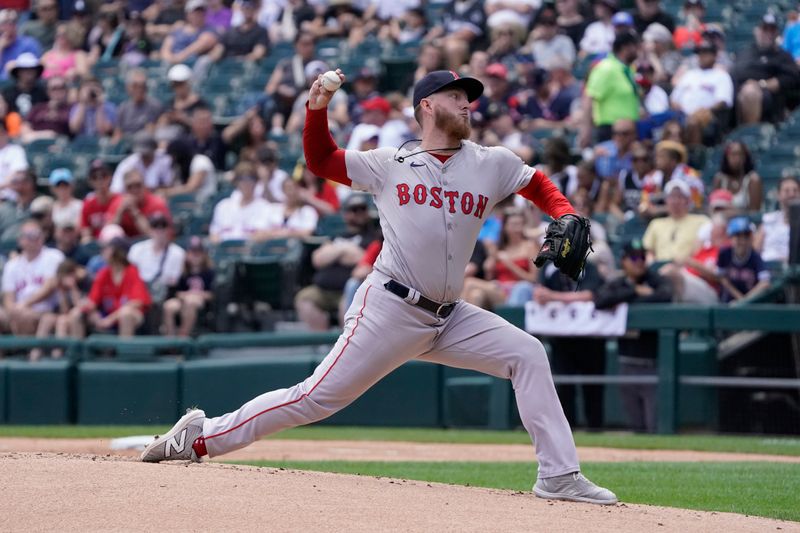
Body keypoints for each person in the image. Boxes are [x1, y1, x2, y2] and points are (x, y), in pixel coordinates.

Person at [140, 68, 618, 507]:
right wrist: (318, 106)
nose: (468, 104)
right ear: (427, 106)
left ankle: (558, 476)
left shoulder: (490, 162)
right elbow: (321, 159)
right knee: (314, 398)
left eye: (469, 97)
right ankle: (201, 435)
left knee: (527, 354)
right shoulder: (390, 163)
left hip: (450, 315)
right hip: (390, 308)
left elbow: (537, 185)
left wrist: (565, 215)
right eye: (456, 96)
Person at [593, 239, 673, 432]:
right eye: (634, 257)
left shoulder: (654, 279)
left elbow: (665, 295)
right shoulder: (620, 282)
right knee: (635, 426)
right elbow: (601, 300)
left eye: (643, 257)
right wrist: (634, 291)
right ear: (624, 261)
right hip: (626, 363)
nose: (639, 262)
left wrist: (629, 297)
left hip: (651, 364)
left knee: (653, 425)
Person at [532, 260, 606, 429]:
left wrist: (553, 297)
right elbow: (539, 293)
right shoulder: (549, 268)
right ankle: (567, 429)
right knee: (564, 387)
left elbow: (589, 295)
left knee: (593, 387)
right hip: (561, 336)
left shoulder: (589, 266)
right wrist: (544, 295)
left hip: (590, 337)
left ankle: (595, 428)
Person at [293, 193, 377, 331]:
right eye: (354, 210)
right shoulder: (337, 236)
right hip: (323, 289)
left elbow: (364, 259)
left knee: (349, 302)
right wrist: (344, 250)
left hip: (353, 290)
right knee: (304, 298)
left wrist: (335, 252)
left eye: (363, 209)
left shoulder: (372, 237)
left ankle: (344, 345)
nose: (359, 214)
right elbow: (317, 259)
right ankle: (322, 342)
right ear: (345, 214)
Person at [69, 238, 152, 338]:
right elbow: (92, 301)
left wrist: (110, 319)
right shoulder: (103, 273)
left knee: (126, 314)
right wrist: (95, 316)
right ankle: (78, 351)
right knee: (76, 313)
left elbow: (137, 302)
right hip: (106, 315)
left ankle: (123, 351)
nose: (103, 251)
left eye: (107, 248)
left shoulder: (132, 271)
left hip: (129, 317)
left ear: (118, 252)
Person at [461, 208, 540, 308]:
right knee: (476, 295)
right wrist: (489, 268)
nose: (518, 228)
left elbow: (533, 279)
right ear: (505, 227)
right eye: (514, 224)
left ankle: (453, 320)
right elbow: (489, 278)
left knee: (469, 282)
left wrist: (509, 264)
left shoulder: (530, 246)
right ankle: (467, 323)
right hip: (499, 290)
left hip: (519, 289)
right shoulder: (499, 248)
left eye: (520, 224)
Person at [731, 13, 800, 125]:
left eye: (772, 30)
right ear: (756, 31)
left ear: (777, 33)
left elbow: (791, 78)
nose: (768, 33)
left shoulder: (782, 56)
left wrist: (761, 84)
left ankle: (750, 135)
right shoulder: (744, 53)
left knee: (750, 92)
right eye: (764, 29)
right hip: (737, 92)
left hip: (766, 99)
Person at [0, 220, 64, 335]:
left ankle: (27, 350)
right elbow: (8, 297)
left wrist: (24, 305)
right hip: (19, 310)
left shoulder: (53, 256)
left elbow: (49, 287)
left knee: (25, 315)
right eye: (30, 235)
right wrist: (13, 309)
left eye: (38, 234)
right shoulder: (12, 265)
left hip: (45, 310)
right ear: (20, 240)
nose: (35, 238)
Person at [580, 31, 640, 147]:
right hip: (610, 130)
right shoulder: (606, 68)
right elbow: (589, 97)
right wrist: (586, 130)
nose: (638, 51)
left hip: (630, 130)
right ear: (625, 47)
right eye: (635, 47)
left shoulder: (628, 70)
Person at [669, 40, 733, 146]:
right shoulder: (689, 74)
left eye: (706, 52)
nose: (701, 56)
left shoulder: (721, 75)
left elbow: (723, 101)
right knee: (668, 125)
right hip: (682, 113)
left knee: (693, 122)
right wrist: (677, 107)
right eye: (700, 53)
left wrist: (703, 111)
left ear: (714, 55)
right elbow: (674, 98)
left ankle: (695, 157)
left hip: (706, 115)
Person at [208, 161, 281, 242]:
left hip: (251, 252)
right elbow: (214, 235)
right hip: (225, 251)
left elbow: (268, 234)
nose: (246, 183)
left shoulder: (265, 207)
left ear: (256, 182)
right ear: (236, 182)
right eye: (241, 179)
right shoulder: (223, 206)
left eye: (250, 179)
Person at [642, 180, 709, 263]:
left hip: (689, 266)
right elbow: (649, 252)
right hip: (660, 268)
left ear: (688, 201)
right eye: (672, 197)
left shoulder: (702, 221)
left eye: (680, 197)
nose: (675, 201)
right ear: (666, 200)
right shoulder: (656, 224)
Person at [128, 212, 186, 304]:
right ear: (150, 229)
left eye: (163, 226)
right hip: (140, 291)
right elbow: (129, 276)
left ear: (168, 230)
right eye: (155, 226)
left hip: (166, 294)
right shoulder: (137, 249)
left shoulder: (178, 253)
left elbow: (174, 281)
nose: (159, 231)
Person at [163, 236, 214, 337]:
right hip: (183, 300)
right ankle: (170, 339)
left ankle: (183, 337)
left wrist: (196, 295)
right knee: (169, 306)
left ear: (204, 254)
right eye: (192, 252)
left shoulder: (210, 273)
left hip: (200, 302)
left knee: (191, 302)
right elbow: (176, 292)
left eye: (198, 253)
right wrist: (186, 295)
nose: (195, 256)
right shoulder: (182, 272)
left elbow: (212, 294)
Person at [717, 216, 771, 303]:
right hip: (728, 303)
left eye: (746, 236)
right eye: (738, 236)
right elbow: (722, 278)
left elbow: (765, 283)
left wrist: (745, 300)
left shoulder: (755, 257)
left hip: (752, 304)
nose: (742, 240)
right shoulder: (724, 253)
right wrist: (739, 298)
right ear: (731, 238)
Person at [107, 168, 172, 238]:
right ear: (124, 190)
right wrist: (120, 212)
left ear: (145, 186)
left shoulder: (157, 204)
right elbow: (107, 233)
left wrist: (135, 212)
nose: (135, 190)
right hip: (123, 247)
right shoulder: (117, 204)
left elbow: (156, 236)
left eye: (138, 185)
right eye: (130, 187)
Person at [755, 176, 800, 264]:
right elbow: (755, 250)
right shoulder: (769, 220)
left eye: (795, 190)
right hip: (768, 268)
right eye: (787, 191)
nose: (792, 194)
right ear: (778, 195)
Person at [711, 141, 763, 213]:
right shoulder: (719, 179)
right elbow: (714, 207)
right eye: (732, 154)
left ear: (745, 157)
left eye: (739, 154)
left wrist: (732, 212)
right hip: (722, 222)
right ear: (726, 157)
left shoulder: (753, 180)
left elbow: (754, 212)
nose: (736, 158)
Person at [113, 69, 163, 141]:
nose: (140, 89)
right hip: (128, 147)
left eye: (143, 85)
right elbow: (117, 134)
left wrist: (154, 130)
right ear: (128, 88)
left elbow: (160, 132)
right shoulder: (123, 108)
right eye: (135, 85)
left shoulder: (155, 106)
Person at [80, 159, 119, 242]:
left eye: (103, 176)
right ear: (90, 181)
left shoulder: (119, 199)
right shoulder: (88, 203)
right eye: (95, 177)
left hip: (116, 245)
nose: (100, 181)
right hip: (96, 245)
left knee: (113, 231)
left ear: (110, 177)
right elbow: (86, 233)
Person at [0, 9, 42, 81]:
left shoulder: (29, 43)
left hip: (22, 83)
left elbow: (35, 68)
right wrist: (1, 48)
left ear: (17, 25)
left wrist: (16, 66)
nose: (8, 27)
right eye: (4, 23)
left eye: (12, 23)